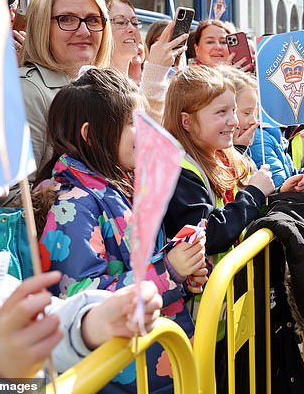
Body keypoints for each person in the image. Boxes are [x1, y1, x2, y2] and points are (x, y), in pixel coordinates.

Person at [0, 98, 162, 380]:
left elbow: (46, 318)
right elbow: (76, 283)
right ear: (90, 135)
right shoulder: (75, 204)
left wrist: (93, 320)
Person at [33, 68, 206, 392]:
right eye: (134, 122)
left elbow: (130, 265)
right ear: (91, 135)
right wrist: (169, 271)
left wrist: (180, 268)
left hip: (152, 369)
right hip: (121, 378)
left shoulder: (120, 186)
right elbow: (83, 301)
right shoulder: (73, 207)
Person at [162, 65, 276, 257]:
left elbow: (247, 210)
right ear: (186, 121)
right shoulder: (176, 169)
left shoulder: (228, 156)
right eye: (221, 112)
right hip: (210, 285)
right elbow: (210, 236)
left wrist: (279, 195)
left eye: (234, 110)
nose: (234, 121)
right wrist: (254, 194)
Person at [18, 0, 112, 168]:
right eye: (67, 19)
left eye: (93, 19)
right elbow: (15, 194)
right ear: (41, 25)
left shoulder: (105, 87)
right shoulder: (28, 91)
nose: (84, 31)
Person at [103, 0, 143, 83]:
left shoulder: (136, 87)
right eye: (121, 22)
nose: (132, 29)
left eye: (135, 23)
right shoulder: (92, 87)